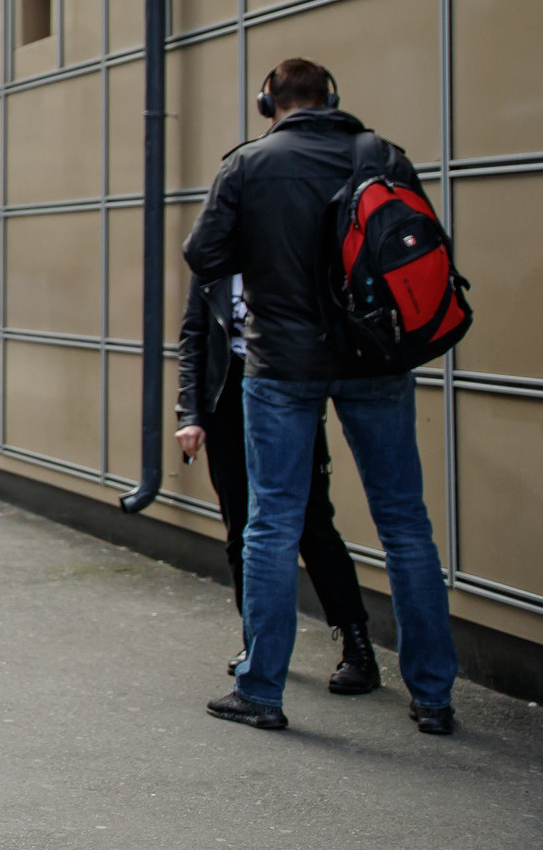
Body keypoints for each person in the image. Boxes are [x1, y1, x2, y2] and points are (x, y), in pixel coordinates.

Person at [183, 57, 458, 734]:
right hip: (376, 359)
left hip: (282, 365)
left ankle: (262, 690)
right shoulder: (381, 153)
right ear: (332, 98)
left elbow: (204, 255)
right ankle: (432, 695)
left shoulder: (247, 166)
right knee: (404, 523)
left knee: (271, 523)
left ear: (266, 103)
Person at [176, 272, 378, 693]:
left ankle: (358, 648)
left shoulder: (286, 244)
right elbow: (195, 339)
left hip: (288, 390)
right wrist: (190, 415)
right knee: (241, 526)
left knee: (312, 523)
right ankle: (258, 644)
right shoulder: (213, 265)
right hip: (229, 395)